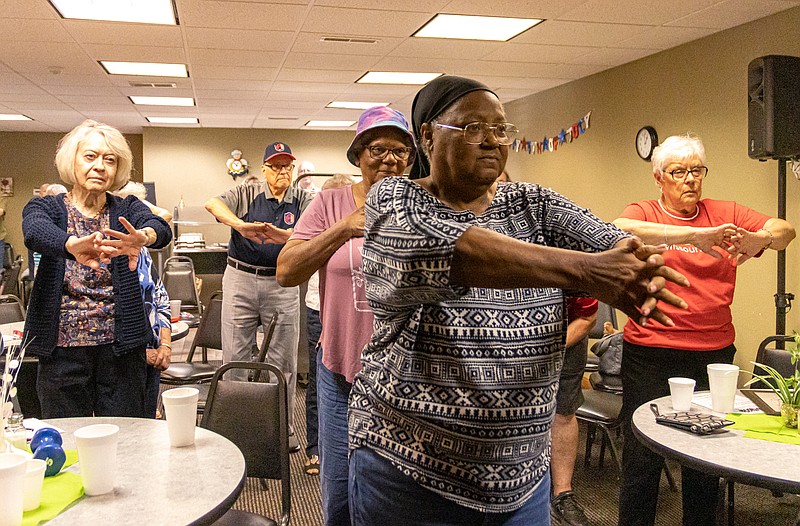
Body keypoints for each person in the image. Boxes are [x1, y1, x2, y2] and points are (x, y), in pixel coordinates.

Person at [346, 76, 689, 526]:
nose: (491, 140)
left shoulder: (532, 203)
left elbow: (613, 249)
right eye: (471, 127)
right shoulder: (397, 199)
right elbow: (448, 251)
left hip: (521, 480)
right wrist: (587, 272)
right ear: (426, 136)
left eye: (500, 129)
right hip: (410, 471)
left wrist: (636, 269)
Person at [612, 134, 796, 526]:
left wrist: (758, 237)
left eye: (697, 170)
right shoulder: (645, 210)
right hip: (651, 351)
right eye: (679, 172)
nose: (690, 179)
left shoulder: (723, 211)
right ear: (659, 178)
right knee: (643, 456)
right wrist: (691, 235)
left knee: (705, 456)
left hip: (712, 354)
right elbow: (621, 227)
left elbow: (785, 230)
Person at [277, 106, 416, 526]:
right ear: (358, 155)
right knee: (338, 491)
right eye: (377, 149)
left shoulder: (422, 204)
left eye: (400, 151)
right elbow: (286, 269)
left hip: (404, 378)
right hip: (340, 369)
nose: (390, 160)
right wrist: (344, 228)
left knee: (397, 491)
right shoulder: (330, 202)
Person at [22, 119, 172, 418]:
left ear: (118, 169)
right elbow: (33, 230)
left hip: (121, 349)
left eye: (110, 159)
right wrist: (69, 244)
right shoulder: (49, 208)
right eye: (90, 156)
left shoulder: (126, 207)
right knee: (67, 441)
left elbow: (160, 227)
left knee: (127, 437)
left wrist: (143, 237)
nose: (100, 166)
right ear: (72, 161)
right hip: (61, 350)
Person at [204, 141, 312, 451]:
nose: (282, 172)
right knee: (236, 356)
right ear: (264, 169)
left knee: (283, 362)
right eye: (276, 166)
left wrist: (284, 236)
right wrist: (241, 226)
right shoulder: (246, 193)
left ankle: (281, 432)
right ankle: (238, 432)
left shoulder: (303, 198)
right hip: (241, 279)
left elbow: (315, 230)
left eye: (287, 166)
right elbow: (213, 203)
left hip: (282, 283)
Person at [300, 173, 357, 477]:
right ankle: (316, 448)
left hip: (354, 314)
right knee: (320, 380)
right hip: (318, 311)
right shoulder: (321, 228)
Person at [113, 182, 172, 419]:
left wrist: (165, 345)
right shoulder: (111, 255)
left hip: (154, 355)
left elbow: (160, 297)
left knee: (147, 422)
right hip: (126, 358)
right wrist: (141, 353)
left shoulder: (144, 253)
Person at [550, 296, 597, 526]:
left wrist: (548, 348)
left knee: (564, 412)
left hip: (569, 330)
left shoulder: (579, 260)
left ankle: (562, 493)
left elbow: (587, 318)